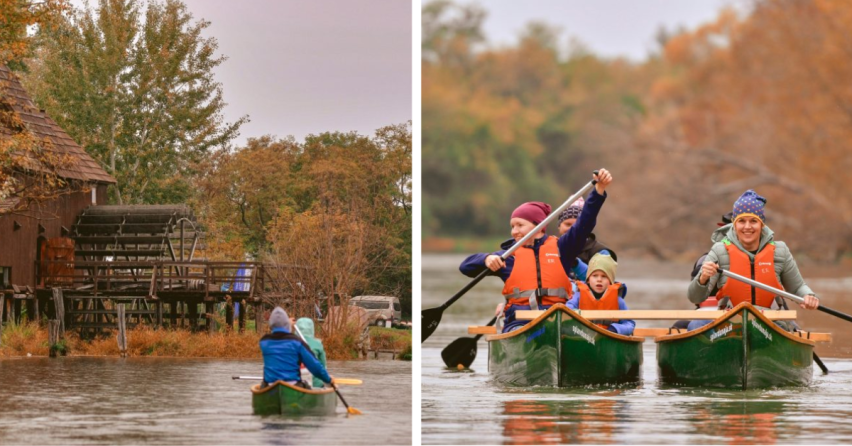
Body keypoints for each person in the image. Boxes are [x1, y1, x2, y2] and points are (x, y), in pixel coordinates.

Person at [460, 169, 614, 332]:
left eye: (520, 225)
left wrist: (599, 191)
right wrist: (486, 259)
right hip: (519, 323)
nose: (514, 231)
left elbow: (585, 222)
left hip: (558, 320)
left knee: (569, 330)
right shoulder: (507, 257)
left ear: (539, 227)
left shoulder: (562, 248)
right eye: (512, 226)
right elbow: (465, 267)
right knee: (521, 330)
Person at [687, 190, 819, 331]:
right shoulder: (719, 250)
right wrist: (703, 278)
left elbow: (798, 287)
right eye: (742, 221)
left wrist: (808, 296)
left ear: (762, 224)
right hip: (729, 321)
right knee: (695, 325)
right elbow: (694, 298)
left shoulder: (780, 250)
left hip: (770, 321)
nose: (747, 227)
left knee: (791, 329)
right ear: (734, 224)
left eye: (753, 221)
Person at [260, 307, 333, 388]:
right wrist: (328, 380)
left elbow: (278, 334)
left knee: (263, 384)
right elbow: (314, 366)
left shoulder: (264, 342)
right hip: (293, 385)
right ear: (287, 325)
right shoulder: (296, 342)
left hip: (270, 386)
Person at [566, 253, 635, 335]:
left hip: (609, 337)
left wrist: (615, 329)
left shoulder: (618, 301)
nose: (599, 279)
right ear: (588, 280)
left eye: (604, 276)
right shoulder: (578, 296)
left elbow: (630, 324)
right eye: (595, 276)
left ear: (610, 281)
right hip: (583, 334)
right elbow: (567, 310)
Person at [557, 196, 618, 263]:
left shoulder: (601, 252)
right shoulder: (551, 248)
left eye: (577, 225)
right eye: (567, 224)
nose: (572, 229)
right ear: (559, 226)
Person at [295, 317, 328, 388]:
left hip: (295, 385)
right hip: (315, 385)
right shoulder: (318, 344)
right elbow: (323, 366)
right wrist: (329, 380)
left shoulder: (291, 343)